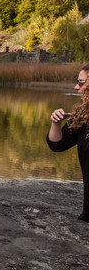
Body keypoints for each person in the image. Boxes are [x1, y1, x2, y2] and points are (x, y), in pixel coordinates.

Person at [47, 63, 89, 222]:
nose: (76, 87)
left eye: (81, 82)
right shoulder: (83, 117)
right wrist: (55, 122)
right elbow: (57, 144)